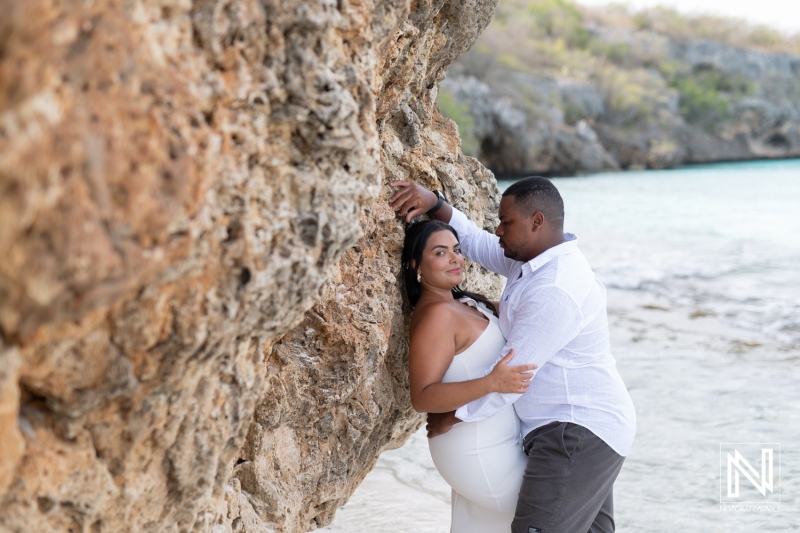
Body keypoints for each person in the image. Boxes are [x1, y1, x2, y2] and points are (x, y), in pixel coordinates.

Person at [390, 177, 636, 533]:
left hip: (576, 430)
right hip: (574, 429)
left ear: (536, 222)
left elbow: (512, 376)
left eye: (506, 222)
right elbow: (475, 242)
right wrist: (435, 202)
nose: (498, 229)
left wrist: (455, 416)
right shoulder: (532, 260)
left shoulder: (555, 288)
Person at [401, 219, 536, 532]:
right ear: (416, 266)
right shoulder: (436, 314)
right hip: (477, 451)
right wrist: (491, 383)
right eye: (440, 252)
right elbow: (422, 397)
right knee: (556, 512)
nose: (454, 258)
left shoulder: (465, 303)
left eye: (457, 250)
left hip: (497, 442)